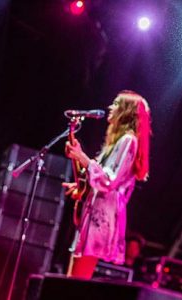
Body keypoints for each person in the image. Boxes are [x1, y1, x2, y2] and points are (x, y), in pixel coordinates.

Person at [63, 90, 151, 279]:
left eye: (117, 104)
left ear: (127, 112)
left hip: (102, 218)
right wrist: (82, 188)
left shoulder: (129, 141)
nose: (111, 107)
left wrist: (82, 157)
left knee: (76, 280)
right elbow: (101, 179)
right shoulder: (118, 141)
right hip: (96, 213)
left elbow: (109, 181)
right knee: (73, 278)